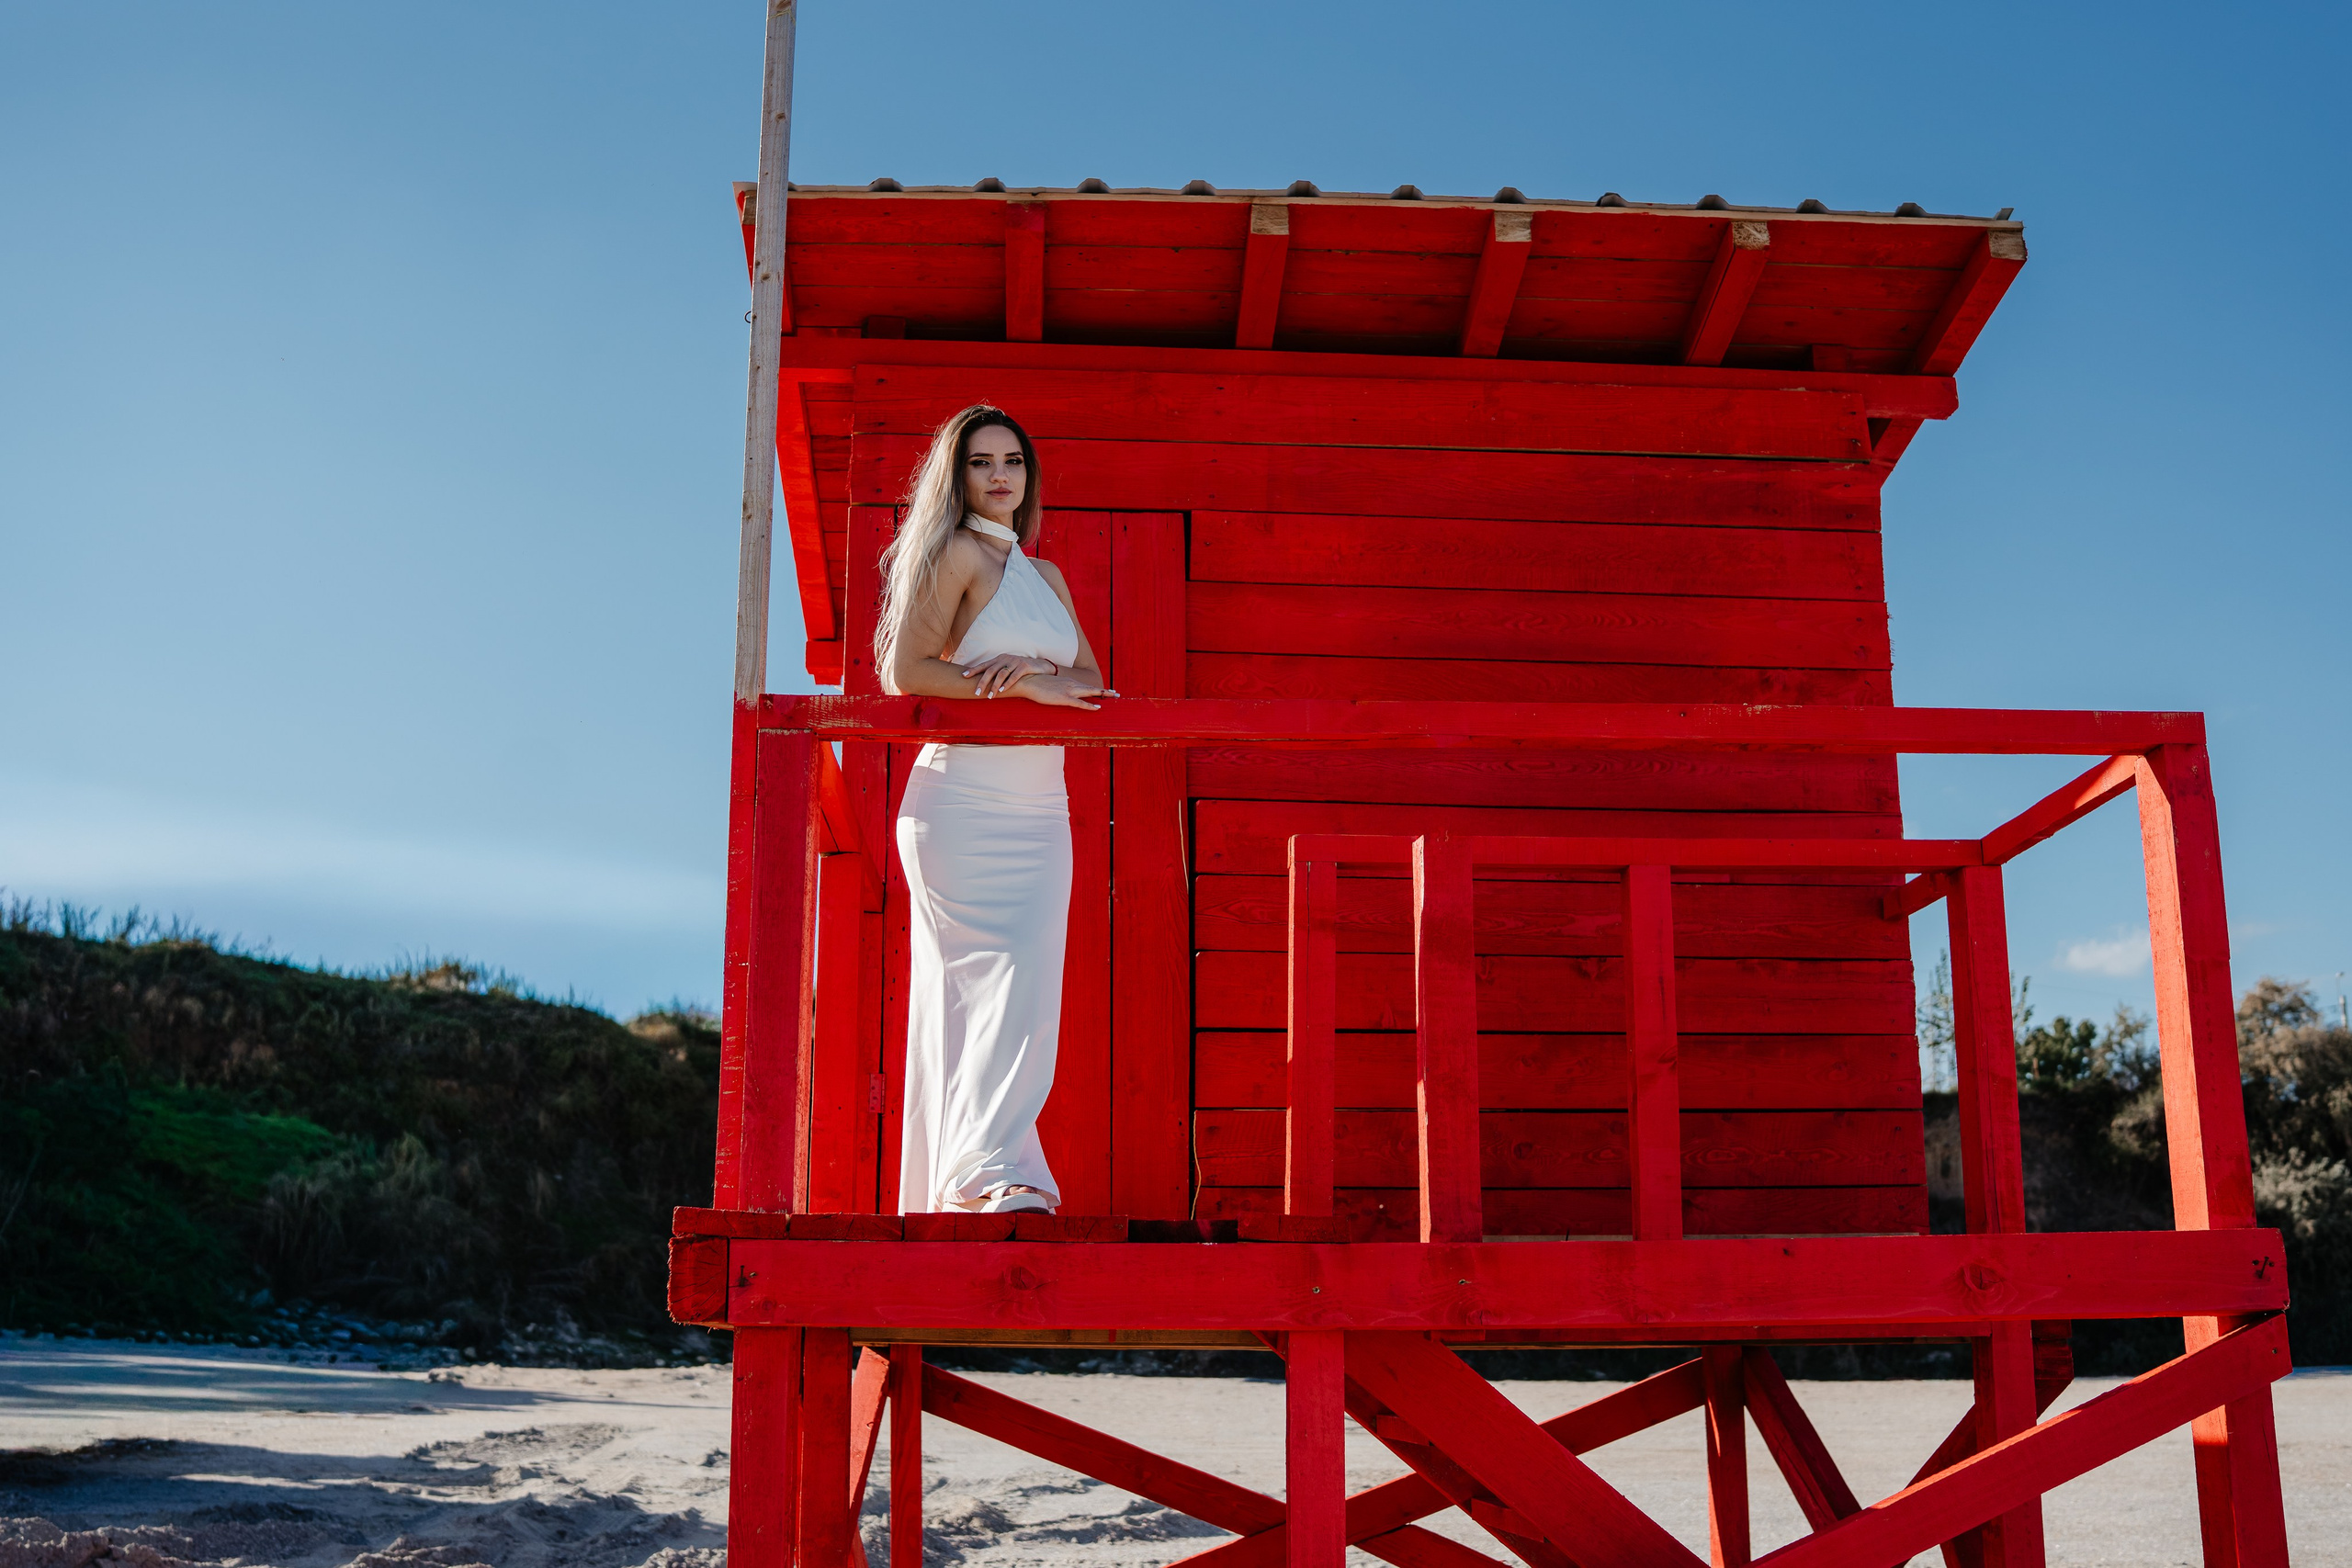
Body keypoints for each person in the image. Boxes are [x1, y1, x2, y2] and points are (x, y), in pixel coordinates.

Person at [874, 404, 1109, 1215]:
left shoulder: (1048, 578)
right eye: (981, 462)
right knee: (980, 990)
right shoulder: (957, 554)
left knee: (1029, 988)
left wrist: (1039, 678)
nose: (1000, 475)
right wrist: (1018, 688)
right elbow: (906, 671)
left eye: (1012, 461)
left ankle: (974, 1175)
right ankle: (989, 1176)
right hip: (962, 801)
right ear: (959, 475)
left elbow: (1092, 682)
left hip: (1040, 808)